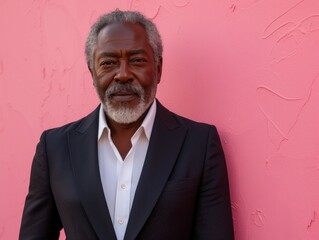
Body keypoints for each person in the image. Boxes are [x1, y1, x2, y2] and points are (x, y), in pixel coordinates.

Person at [19, 9, 234, 240]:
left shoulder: (199, 144)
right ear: (92, 73)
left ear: (158, 69)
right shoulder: (55, 149)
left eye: (137, 60)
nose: (122, 74)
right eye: (108, 63)